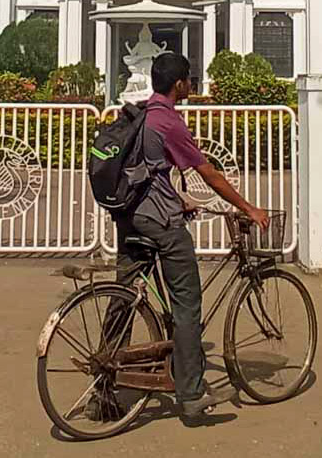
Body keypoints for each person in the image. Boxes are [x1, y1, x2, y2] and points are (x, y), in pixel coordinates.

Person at [113, 51, 269, 425]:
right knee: (187, 303)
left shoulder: (140, 114)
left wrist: (179, 198)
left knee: (123, 296)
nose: (191, 86)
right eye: (189, 80)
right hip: (160, 222)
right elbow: (208, 173)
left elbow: (151, 172)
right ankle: (192, 394)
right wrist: (248, 208)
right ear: (180, 84)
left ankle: (104, 381)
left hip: (131, 216)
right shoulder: (169, 121)